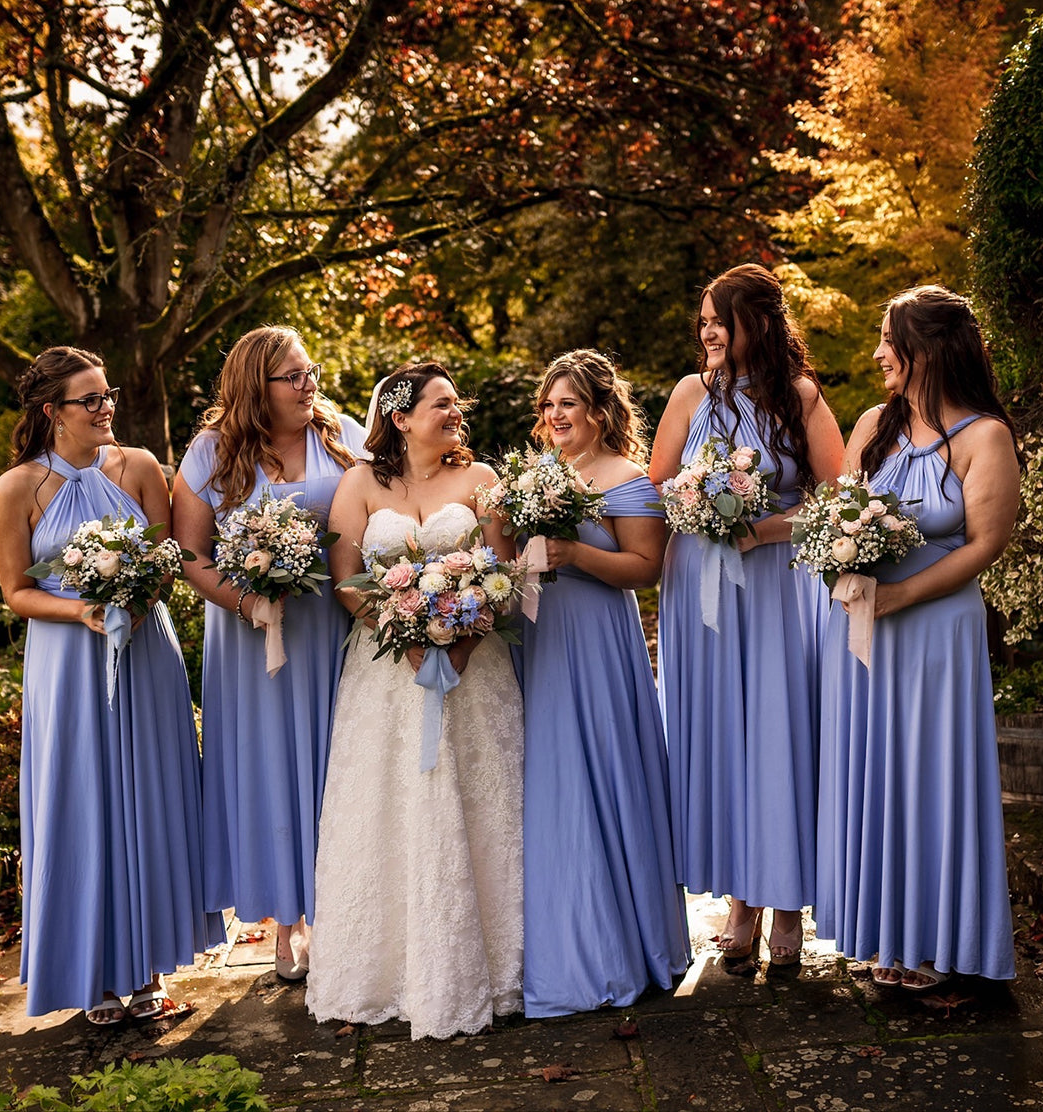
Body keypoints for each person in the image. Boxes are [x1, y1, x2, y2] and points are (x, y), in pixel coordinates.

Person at [0, 346, 223, 1023]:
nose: (106, 407)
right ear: (51, 412)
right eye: (89, 400)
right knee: (82, 802)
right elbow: (16, 593)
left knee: (151, 798)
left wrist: (137, 593)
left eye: (107, 394)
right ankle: (94, 974)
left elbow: (166, 557)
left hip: (146, 654)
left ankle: (147, 967)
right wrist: (85, 608)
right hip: (68, 662)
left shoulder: (141, 466)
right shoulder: (16, 489)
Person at [304, 362, 524, 1040]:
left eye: (458, 403)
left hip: (476, 670)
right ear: (400, 418)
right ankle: (384, 971)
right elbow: (346, 581)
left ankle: (496, 967)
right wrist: (404, 637)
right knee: (389, 807)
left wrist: (464, 638)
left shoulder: (482, 479)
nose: (455, 414)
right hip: (386, 678)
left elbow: (504, 570)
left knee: (482, 806)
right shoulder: (359, 483)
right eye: (441, 404)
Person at [816, 286, 1020, 989]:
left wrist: (901, 593)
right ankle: (884, 931)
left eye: (888, 340)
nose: (877, 354)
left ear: (928, 350)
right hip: (866, 629)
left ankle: (937, 940)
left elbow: (984, 544)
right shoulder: (874, 423)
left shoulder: (984, 437)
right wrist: (839, 571)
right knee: (875, 774)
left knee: (928, 775)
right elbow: (838, 517)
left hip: (935, 632)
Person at [650, 264, 844, 967]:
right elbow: (656, 486)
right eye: (702, 318)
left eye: (717, 318)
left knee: (775, 733)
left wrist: (764, 528)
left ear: (753, 324)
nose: (706, 330)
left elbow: (835, 501)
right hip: (699, 586)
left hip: (775, 585)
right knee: (722, 737)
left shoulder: (801, 397)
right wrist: (697, 500)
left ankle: (786, 902)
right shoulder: (687, 393)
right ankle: (740, 899)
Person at [173, 326, 365, 981]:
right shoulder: (210, 451)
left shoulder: (339, 435)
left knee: (336, 758)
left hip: (326, 626)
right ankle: (289, 922)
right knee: (270, 769)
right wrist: (247, 601)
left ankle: (345, 908)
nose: (309, 385)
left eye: (311, 371)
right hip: (248, 638)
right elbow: (190, 553)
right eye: (293, 376)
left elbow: (385, 500)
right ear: (258, 386)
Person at [517, 350, 690, 1016]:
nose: (555, 416)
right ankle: (559, 941)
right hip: (541, 635)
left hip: (597, 640)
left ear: (597, 409)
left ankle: (623, 945)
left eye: (567, 403)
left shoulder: (627, 478)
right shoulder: (539, 476)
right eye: (549, 405)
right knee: (551, 782)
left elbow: (644, 567)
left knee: (603, 774)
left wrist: (572, 552)